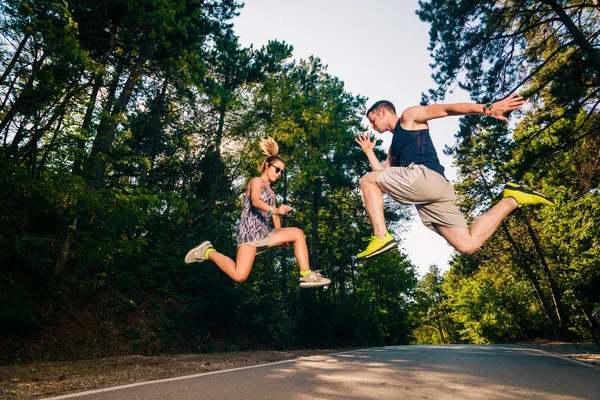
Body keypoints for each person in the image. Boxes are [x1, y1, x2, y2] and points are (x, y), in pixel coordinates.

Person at [354, 93, 555, 258]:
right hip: (433, 192)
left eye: (373, 121)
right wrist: (369, 151)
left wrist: (488, 108)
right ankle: (513, 198)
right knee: (468, 243)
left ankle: (381, 235)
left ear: (383, 112)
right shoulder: (393, 149)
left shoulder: (409, 117)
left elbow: (447, 109)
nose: (372, 126)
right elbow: (381, 177)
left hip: (424, 177)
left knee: (365, 180)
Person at [185, 137, 330, 288]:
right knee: (239, 275)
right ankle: (208, 251)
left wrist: (281, 237)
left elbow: (274, 216)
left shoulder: (272, 193)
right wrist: (276, 209)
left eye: (282, 172)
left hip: (264, 231)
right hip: (249, 231)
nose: (279, 173)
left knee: (297, 234)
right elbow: (255, 201)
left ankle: (306, 275)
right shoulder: (256, 182)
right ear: (267, 165)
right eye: (277, 169)